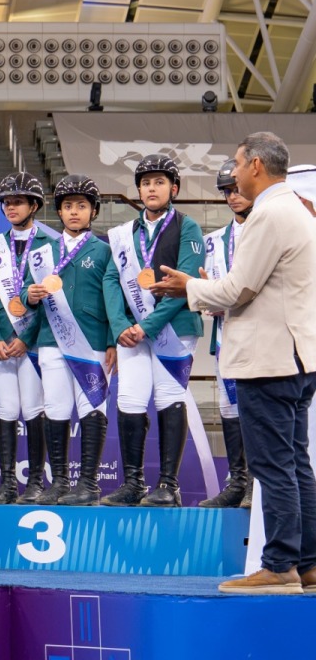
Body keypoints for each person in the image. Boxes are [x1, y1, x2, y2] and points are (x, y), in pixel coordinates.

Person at [152, 132, 316, 594]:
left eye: (239, 164)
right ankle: (306, 564)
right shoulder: (297, 210)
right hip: (295, 358)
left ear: (258, 166)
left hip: (269, 361)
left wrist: (188, 287)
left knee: (274, 467)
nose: (235, 173)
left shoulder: (269, 214)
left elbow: (237, 290)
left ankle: (280, 565)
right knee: (295, 464)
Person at [101, 154, 204, 508]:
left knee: (167, 398)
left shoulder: (187, 227)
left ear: (173, 188)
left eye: (159, 182)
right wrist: (120, 327)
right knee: (129, 399)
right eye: (145, 183)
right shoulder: (123, 234)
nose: (151, 188)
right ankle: (132, 484)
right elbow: (112, 279)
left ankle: (168, 486)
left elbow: (184, 284)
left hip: (174, 329)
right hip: (131, 331)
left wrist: (146, 326)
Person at [21, 175, 116, 506]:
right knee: (56, 408)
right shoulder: (41, 252)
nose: (74, 212)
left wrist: (112, 342)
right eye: (67, 206)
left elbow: (114, 299)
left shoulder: (104, 252)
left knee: (92, 407)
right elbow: (23, 292)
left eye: (81, 206)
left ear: (93, 211)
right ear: (58, 212)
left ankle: (88, 484)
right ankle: (60, 482)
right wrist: (29, 294)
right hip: (50, 341)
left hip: (92, 343)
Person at [0, 173, 51, 504]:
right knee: (6, 408)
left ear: (34, 205)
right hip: (2, 346)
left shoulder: (49, 246)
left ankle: (36, 482)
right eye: (6, 202)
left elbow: (50, 302)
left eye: (18, 201)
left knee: (34, 408)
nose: (10, 207)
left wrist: (28, 339)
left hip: (33, 343)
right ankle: (7, 483)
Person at [199, 159, 253, 508]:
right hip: (225, 338)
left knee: (258, 412)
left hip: (262, 337)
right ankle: (238, 483)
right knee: (229, 409)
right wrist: (207, 300)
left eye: (236, 189)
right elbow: (204, 288)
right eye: (226, 191)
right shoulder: (212, 241)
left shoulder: (268, 232)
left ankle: (258, 486)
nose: (233, 197)